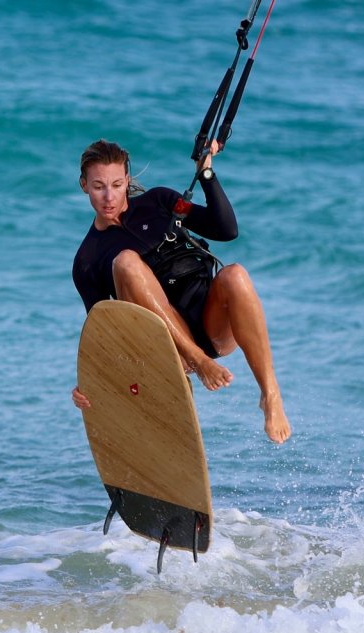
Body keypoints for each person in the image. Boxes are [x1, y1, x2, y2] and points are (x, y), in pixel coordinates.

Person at [70, 139, 291, 444]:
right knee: (126, 262)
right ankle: (194, 362)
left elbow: (226, 230)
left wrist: (206, 176)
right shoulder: (88, 260)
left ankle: (270, 394)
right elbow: (103, 332)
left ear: (127, 180)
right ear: (84, 185)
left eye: (117, 184)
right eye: (98, 187)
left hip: (212, 324)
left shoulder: (160, 202)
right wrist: (90, 383)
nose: (109, 196)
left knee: (235, 274)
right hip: (166, 345)